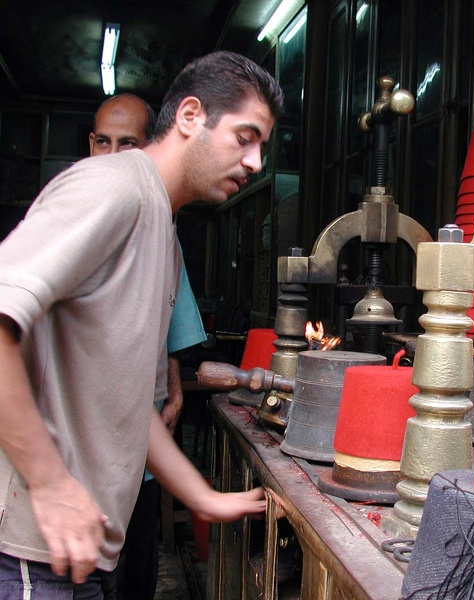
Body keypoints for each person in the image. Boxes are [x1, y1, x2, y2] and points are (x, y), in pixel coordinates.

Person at [0, 51, 284, 597]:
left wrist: (202, 497)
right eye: (245, 137)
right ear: (190, 116)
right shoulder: (113, 188)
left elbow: (135, 406)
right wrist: (51, 482)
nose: (255, 163)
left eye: (263, 147)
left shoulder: (163, 231)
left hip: (88, 546)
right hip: (31, 553)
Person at [88, 93, 207, 600]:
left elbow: (170, 319)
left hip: (140, 436)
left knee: (132, 564)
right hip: (82, 444)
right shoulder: (77, 213)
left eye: (127, 144)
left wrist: (173, 388)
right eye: (102, 143)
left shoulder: (162, 227)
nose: (113, 156)